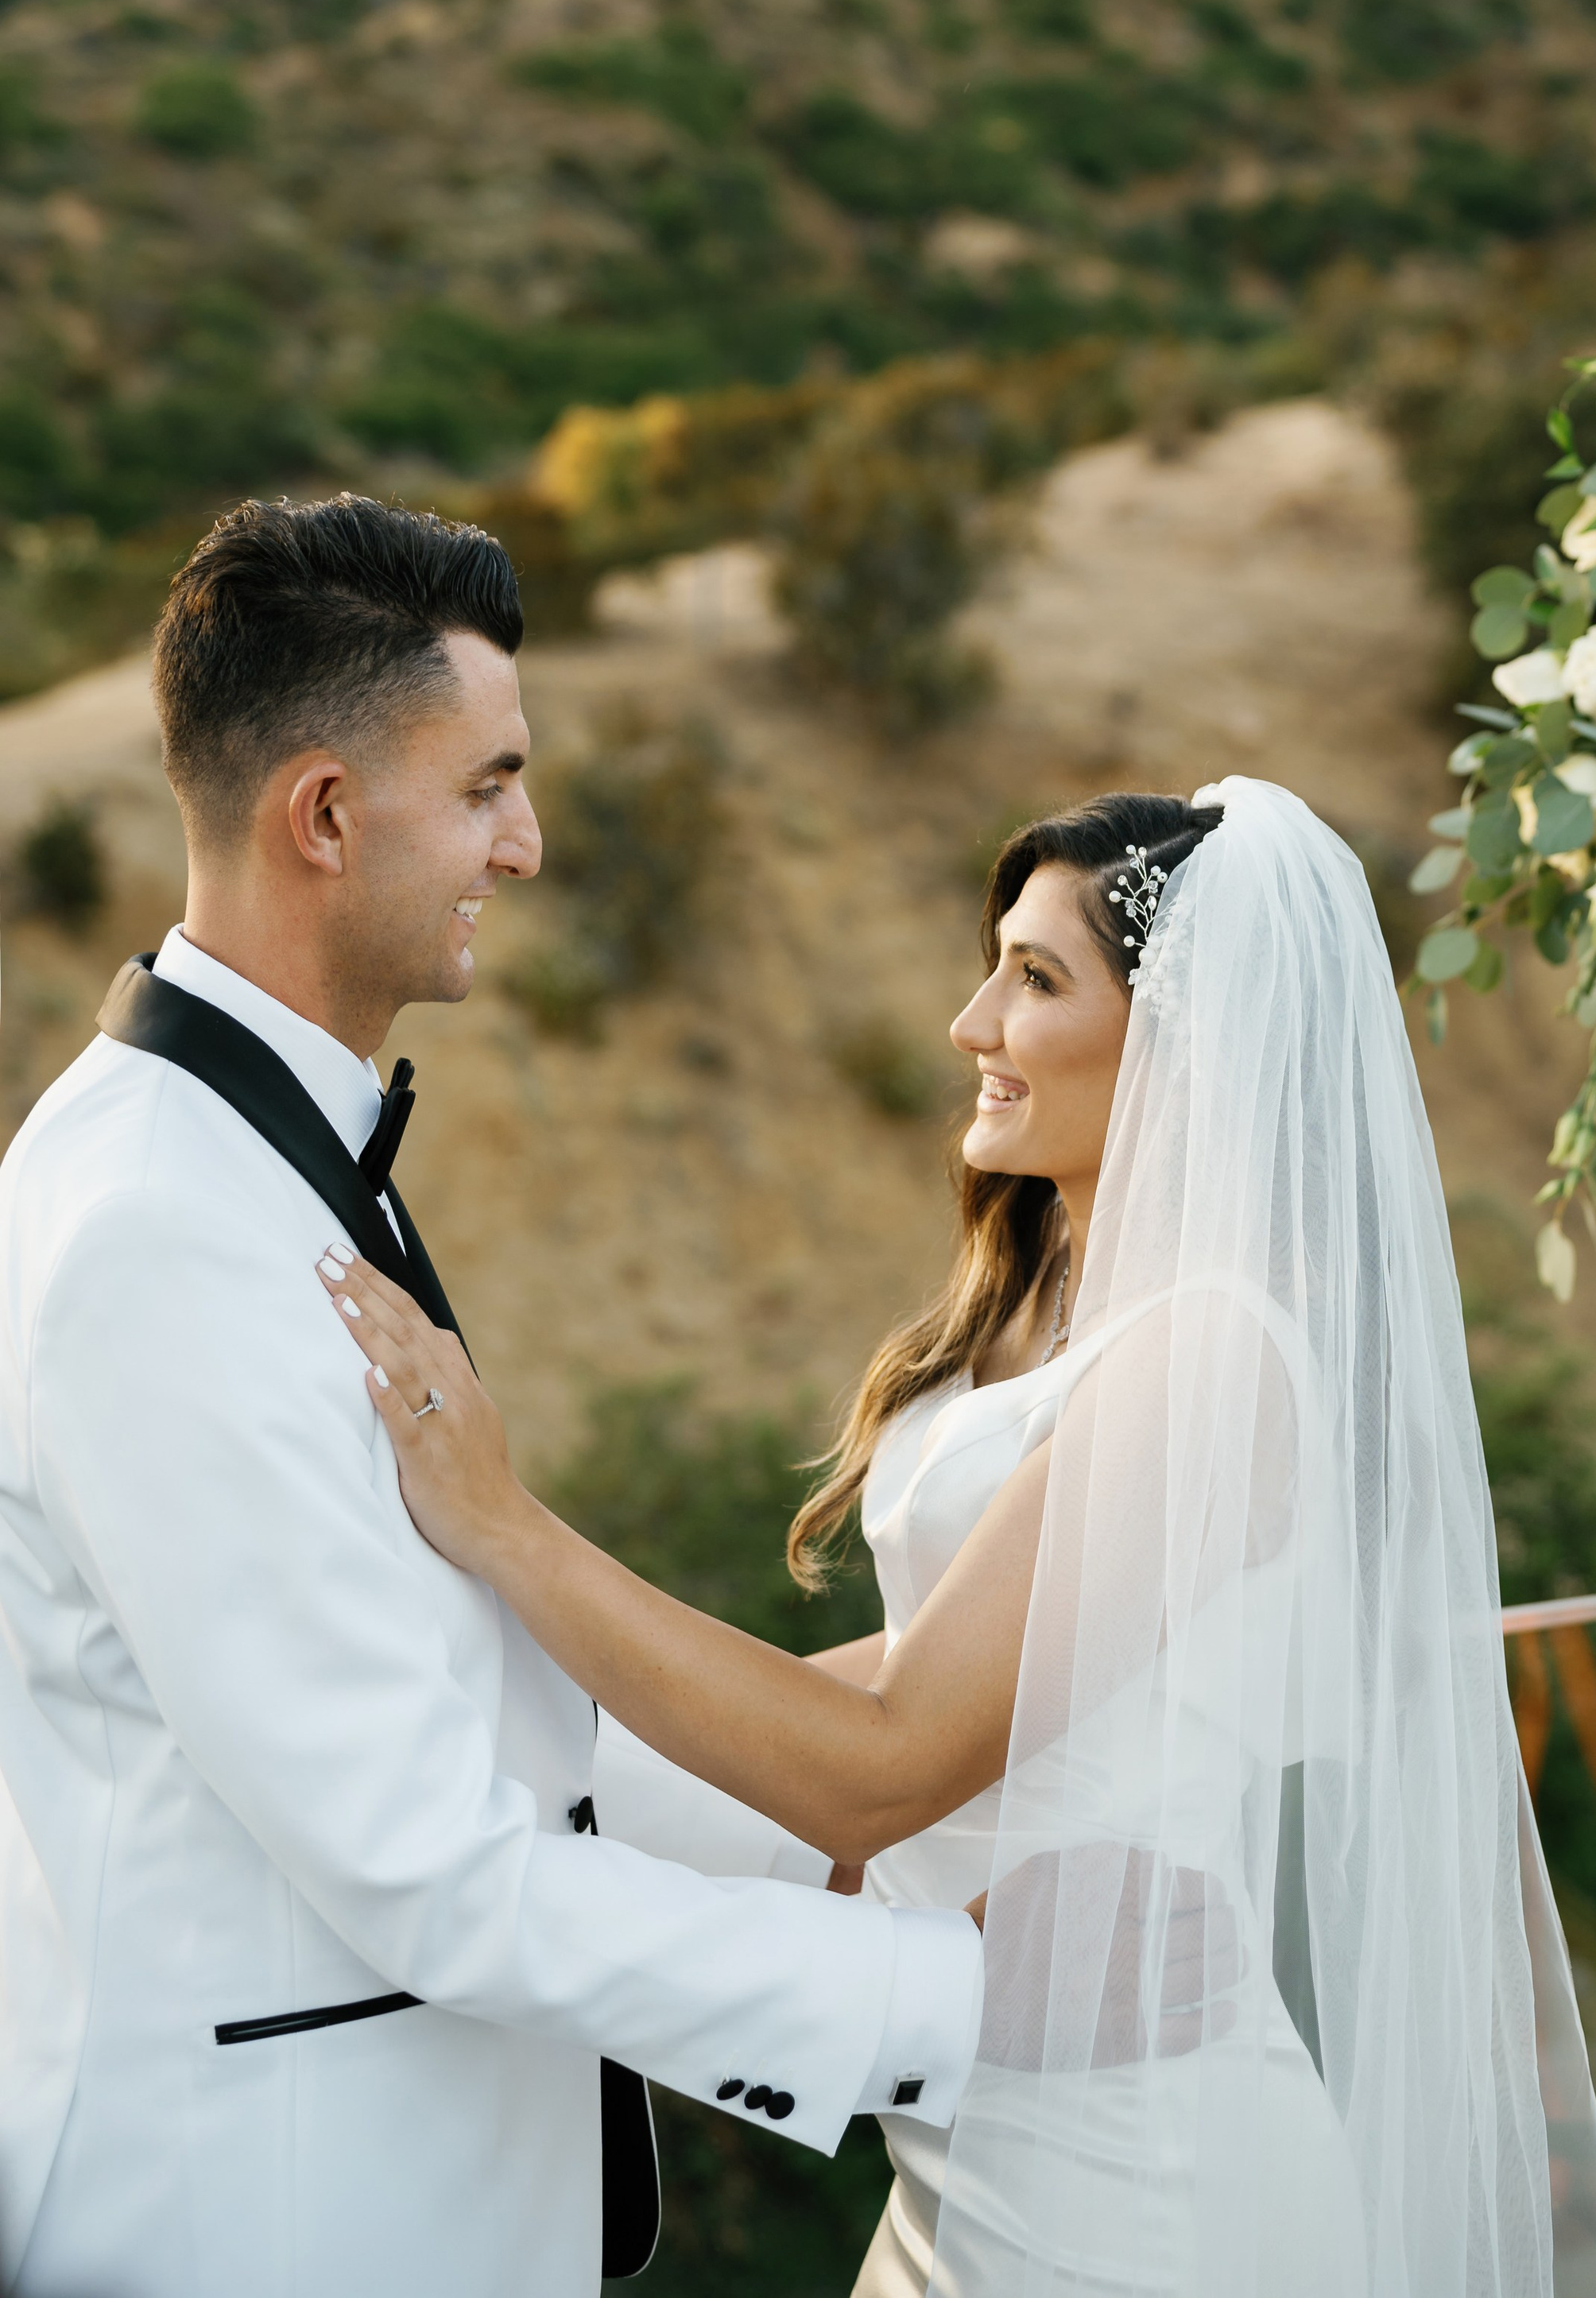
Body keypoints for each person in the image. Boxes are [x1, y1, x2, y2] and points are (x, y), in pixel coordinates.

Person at [323, 777, 1596, 2296]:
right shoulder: (1046, 1304)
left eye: (1037, 977)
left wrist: (505, 1527)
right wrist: (517, 1742)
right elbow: (926, 1657)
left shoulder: (1217, 1353)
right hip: (972, 2102)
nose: (971, 1022)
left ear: (1186, 1046)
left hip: (1142, 2163)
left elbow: (880, 1760)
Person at [0, 495, 983, 2298]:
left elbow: (460, 1709)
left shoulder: (258, 1154)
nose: (522, 847)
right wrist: (956, 1997)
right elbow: (420, 1862)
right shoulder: (152, 1225)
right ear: (323, 812)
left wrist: (883, 1791)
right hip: (275, 2230)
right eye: (488, 787)